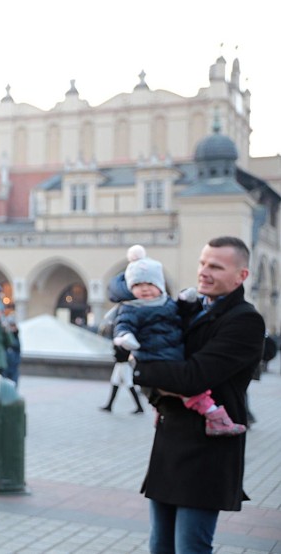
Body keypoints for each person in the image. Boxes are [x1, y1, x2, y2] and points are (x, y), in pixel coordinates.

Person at [131, 236, 264, 554]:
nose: (204, 271)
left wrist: (140, 369)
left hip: (208, 452)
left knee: (190, 547)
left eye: (216, 266)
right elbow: (154, 351)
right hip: (170, 443)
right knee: (160, 545)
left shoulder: (245, 320)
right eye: (203, 262)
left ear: (240, 276)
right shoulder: (187, 310)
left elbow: (193, 377)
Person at [111, 245, 243, 435]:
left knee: (174, 390)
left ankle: (162, 411)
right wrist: (125, 337)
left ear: (160, 285)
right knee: (192, 393)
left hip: (173, 353)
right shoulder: (131, 307)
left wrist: (186, 301)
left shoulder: (166, 303)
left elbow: (180, 313)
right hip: (153, 355)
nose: (145, 289)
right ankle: (216, 418)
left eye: (149, 284)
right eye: (138, 285)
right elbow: (123, 325)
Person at [3, 312, 22, 387]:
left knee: (14, 385)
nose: (13, 328)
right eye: (11, 326)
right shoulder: (6, 335)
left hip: (14, 365)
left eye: (14, 326)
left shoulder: (16, 336)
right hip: (5, 365)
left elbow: (18, 349)